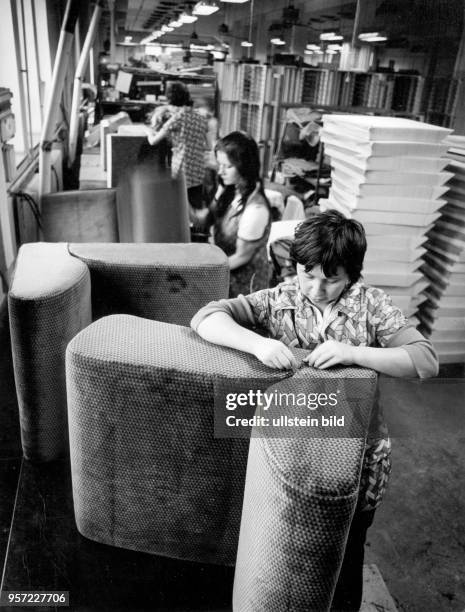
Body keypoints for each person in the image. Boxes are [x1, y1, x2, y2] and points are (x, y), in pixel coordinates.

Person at [190, 210, 439, 611]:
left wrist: (353, 352)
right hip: (294, 449)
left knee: (347, 552)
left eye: (331, 277)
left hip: (358, 459)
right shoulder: (282, 298)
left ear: (353, 274)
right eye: (308, 273)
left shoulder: (371, 306)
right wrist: (257, 345)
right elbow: (206, 316)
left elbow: (425, 360)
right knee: (288, 548)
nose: (316, 288)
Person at [198, 131, 272, 297]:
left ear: (244, 167)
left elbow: (241, 257)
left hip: (244, 289)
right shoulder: (231, 191)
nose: (220, 172)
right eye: (220, 165)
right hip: (225, 275)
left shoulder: (255, 210)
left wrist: (203, 271)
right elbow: (205, 219)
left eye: (228, 166)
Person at [146, 81, 208, 210]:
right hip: (198, 170)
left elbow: (153, 141)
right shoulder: (201, 117)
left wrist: (147, 130)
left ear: (170, 100)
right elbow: (205, 143)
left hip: (181, 169)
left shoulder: (177, 118)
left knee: (178, 209)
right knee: (195, 208)